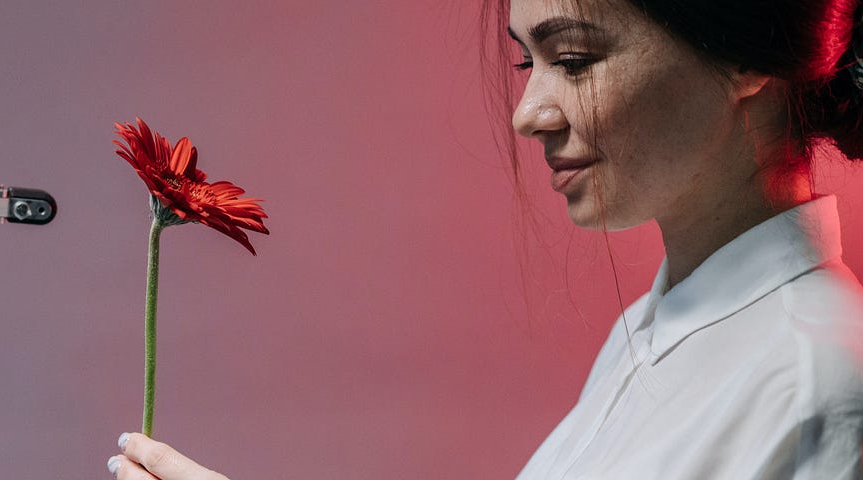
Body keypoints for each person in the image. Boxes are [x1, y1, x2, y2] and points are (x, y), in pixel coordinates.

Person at [105, 0, 863, 477]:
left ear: (747, 57)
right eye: (526, 60)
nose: (528, 112)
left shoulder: (817, 387)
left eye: (572, 60)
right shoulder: (656, 330)